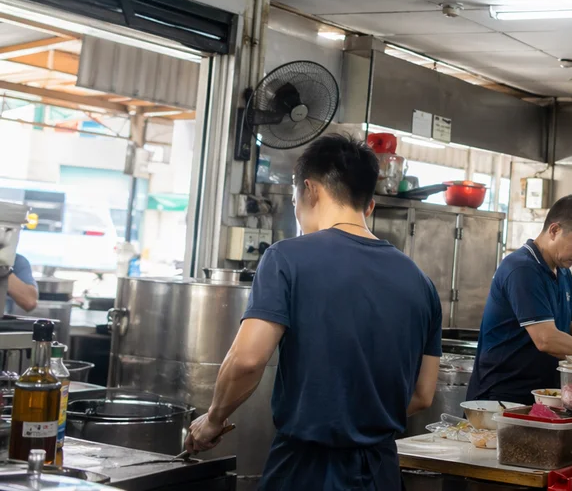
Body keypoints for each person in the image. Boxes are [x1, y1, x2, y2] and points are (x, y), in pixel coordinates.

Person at [184, 134, 441, 490]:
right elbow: (423, 395)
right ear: (368, 206)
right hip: (381, 471)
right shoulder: (422, 283)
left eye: (294, 202)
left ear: (310, 190)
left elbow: (247, 360)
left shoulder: (286, 258)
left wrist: (213, 419)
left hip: (307, 470)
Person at [467, 195, 572, 404]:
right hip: (502, 398)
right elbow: (546, 339)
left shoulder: (562, 272)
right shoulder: (522, 269)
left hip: (540, 395)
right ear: (554, 230)